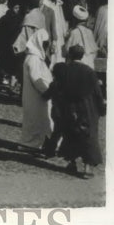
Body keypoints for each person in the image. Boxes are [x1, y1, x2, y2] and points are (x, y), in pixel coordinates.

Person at [46, 46, 106, 178]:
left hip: (70, 107)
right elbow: (97, 92)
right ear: (82, 56)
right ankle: (87, 167)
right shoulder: (89, 71)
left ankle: (71, 163)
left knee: (70, 134)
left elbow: (58, 88)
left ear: (69, 55)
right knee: (88, 136)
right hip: (88, 107)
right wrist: (101, 108)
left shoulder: (65, 70)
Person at [20, 27, 53, 151]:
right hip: (36, 96)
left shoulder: (37, 57)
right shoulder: (33, 59)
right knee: (34, 121)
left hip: (39, 97)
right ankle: (31, 144)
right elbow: (36, 79)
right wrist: (47, 91)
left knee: (40, 120)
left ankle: (40, 143)